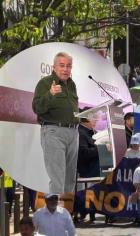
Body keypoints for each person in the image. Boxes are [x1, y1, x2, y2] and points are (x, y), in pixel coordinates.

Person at [32, 52, 79, 194]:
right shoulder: (45, 83)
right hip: (53, 132)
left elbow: (71, 110)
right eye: (62, 65)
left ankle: (65, 213)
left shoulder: (72, 85)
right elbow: (37, 108)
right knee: (58, 179)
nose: (65, 69)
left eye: (68, 66)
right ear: (54, 67)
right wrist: (50, 94)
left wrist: (86, 118)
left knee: (70, 180)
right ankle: (55, 215)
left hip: (73, 133)